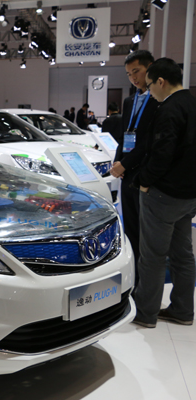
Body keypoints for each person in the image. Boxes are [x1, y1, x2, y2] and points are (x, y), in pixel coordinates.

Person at [131, 58, 196, 328]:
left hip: (163, 195)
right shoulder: (192, 103)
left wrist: (144, 182)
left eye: (149, 86)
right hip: (189, 195)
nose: (149, 92)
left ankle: (146, 313)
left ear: (160, 81)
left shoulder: (168, 109)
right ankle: (183, 310)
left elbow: (161, 154)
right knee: (183, 254)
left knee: (153, 256)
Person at [109, 50, 158, 284]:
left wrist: (125, 164)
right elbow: (124, 136)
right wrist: (118, 162)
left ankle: (147, 280)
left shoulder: (159, 100)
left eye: (136, 71)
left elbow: (149, 141)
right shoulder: (129, 101)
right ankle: (134, 277)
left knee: (146, 229)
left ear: (150, 68)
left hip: (145, 172)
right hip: (127, 173)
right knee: (130, 227)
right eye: (129, 74)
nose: (133, 78)